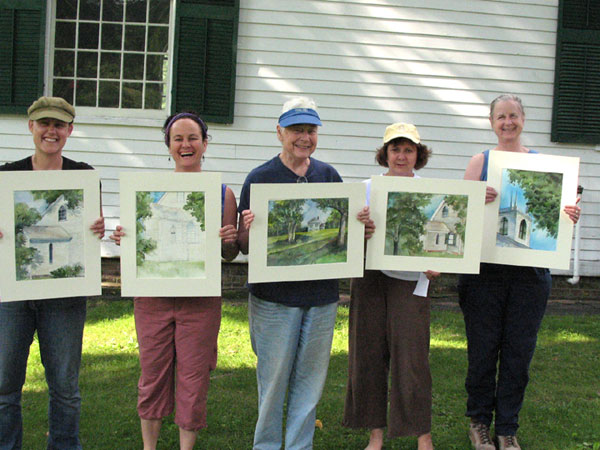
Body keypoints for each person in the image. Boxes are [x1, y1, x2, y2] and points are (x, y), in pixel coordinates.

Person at [238, 96, 368, 450]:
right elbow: (244, 246)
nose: (304, 137)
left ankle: (299, 445)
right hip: (273, 300)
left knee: (310, 382)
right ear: (279, 131)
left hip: (321, 298)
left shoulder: (328, 175)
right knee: (273, 380)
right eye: (297, 129)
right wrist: (247, 228)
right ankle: (265, 445)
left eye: (310, 130)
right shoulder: (260, 178)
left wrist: (361, 228)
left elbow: (347, 234)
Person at [110, 112, 239, 450]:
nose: (186, 145)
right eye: (178, 139)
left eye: (193, 138)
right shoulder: (148, 194)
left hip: (200, 299)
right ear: (168, 145)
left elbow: (229, 254)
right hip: (153, 297)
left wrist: (230, 238)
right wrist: (125, 237)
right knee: (152, 374)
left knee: (194, 377)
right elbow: (140, 242)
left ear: (205, 143)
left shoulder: (222, 193)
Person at [459, 94, 581, 450]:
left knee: (518, 355)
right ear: (492, 122)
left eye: (513, 116)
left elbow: (560, 218)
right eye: (501, 116)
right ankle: (479, 423)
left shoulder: (546, 167)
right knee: (482, 351)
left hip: (529, 277)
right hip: (483, 273)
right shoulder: (479, 162)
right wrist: (475, 197)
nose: (507, 122)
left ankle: (507, 428)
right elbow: (460, 214)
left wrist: (569, 216)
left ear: (523, 119)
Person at [0, 96, 105, 450]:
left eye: (59, 124)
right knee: (3, 385)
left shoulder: (84, 177)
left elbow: (89, 227)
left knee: (64, 386)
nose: (51, 131)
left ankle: (63, 445)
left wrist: (97, 228)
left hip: (64, 296)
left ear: (69, 130)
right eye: (44, 123)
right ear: (31, 126)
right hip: (12, 295)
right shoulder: (6, 177)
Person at [342, 123, 438, 450]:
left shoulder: (431, 193)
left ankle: (422, 436)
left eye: (408, 149)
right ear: (385, 154)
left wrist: (440, 263)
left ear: (418, 155)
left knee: (412, 358)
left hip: (411, 282)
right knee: (368, 354)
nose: (401, 156)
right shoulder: (365, 189)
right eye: (395, 149)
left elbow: (440, 241)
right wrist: (361, 229)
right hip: (369, 277)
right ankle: (375, 435)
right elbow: (347, 237)